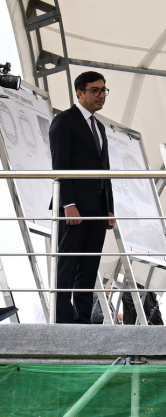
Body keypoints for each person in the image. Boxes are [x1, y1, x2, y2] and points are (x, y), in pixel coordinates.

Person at [49, 71, 115, 324]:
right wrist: (68, 204)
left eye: (104, 90)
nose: (101, 95)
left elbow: (104, 168)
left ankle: (83, 323)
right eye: (95, 90)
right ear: (80, 92)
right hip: (74, 206)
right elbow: (60, 166)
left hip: (97, 207)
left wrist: (109, 207)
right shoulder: (65, 121)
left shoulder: (99, 126)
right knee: (67, 267)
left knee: (89, 268)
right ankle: (63, 323)